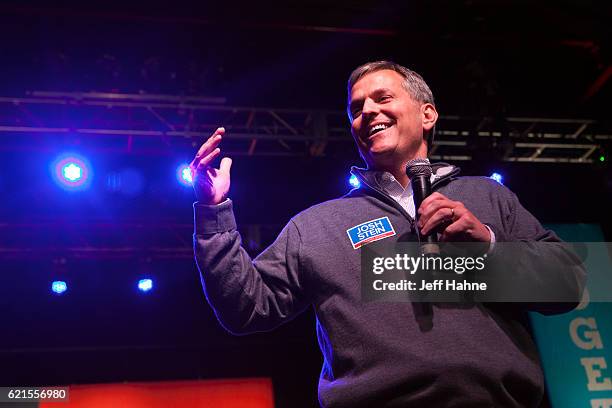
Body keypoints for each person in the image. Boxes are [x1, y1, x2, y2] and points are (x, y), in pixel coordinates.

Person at [190, 61, 585, 407]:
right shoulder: (316, 226)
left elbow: (569, 284)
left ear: (427, 114)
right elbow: (245, 310)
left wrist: (489, 246)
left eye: (382, 98)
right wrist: (213, 211)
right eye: (356, 108)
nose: (367, 112)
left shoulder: (487, 197)